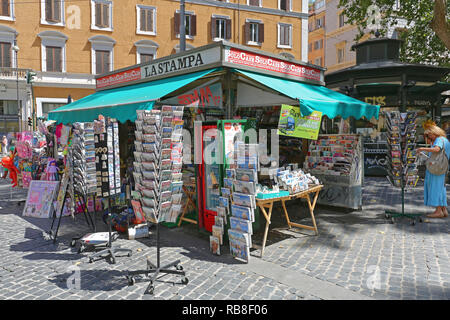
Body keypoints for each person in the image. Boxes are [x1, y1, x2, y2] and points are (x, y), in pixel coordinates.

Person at [416, 120, 450, 218]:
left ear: (434, 133)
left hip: (436, 168)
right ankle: (444, 210)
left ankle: (438, 211)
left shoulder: (439, 140)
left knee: (435, 188)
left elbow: (436, 149)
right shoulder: (445, 140)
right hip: (442, 167)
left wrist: (422, 149)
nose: (428, 137)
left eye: (429, 135)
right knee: (441, 188)